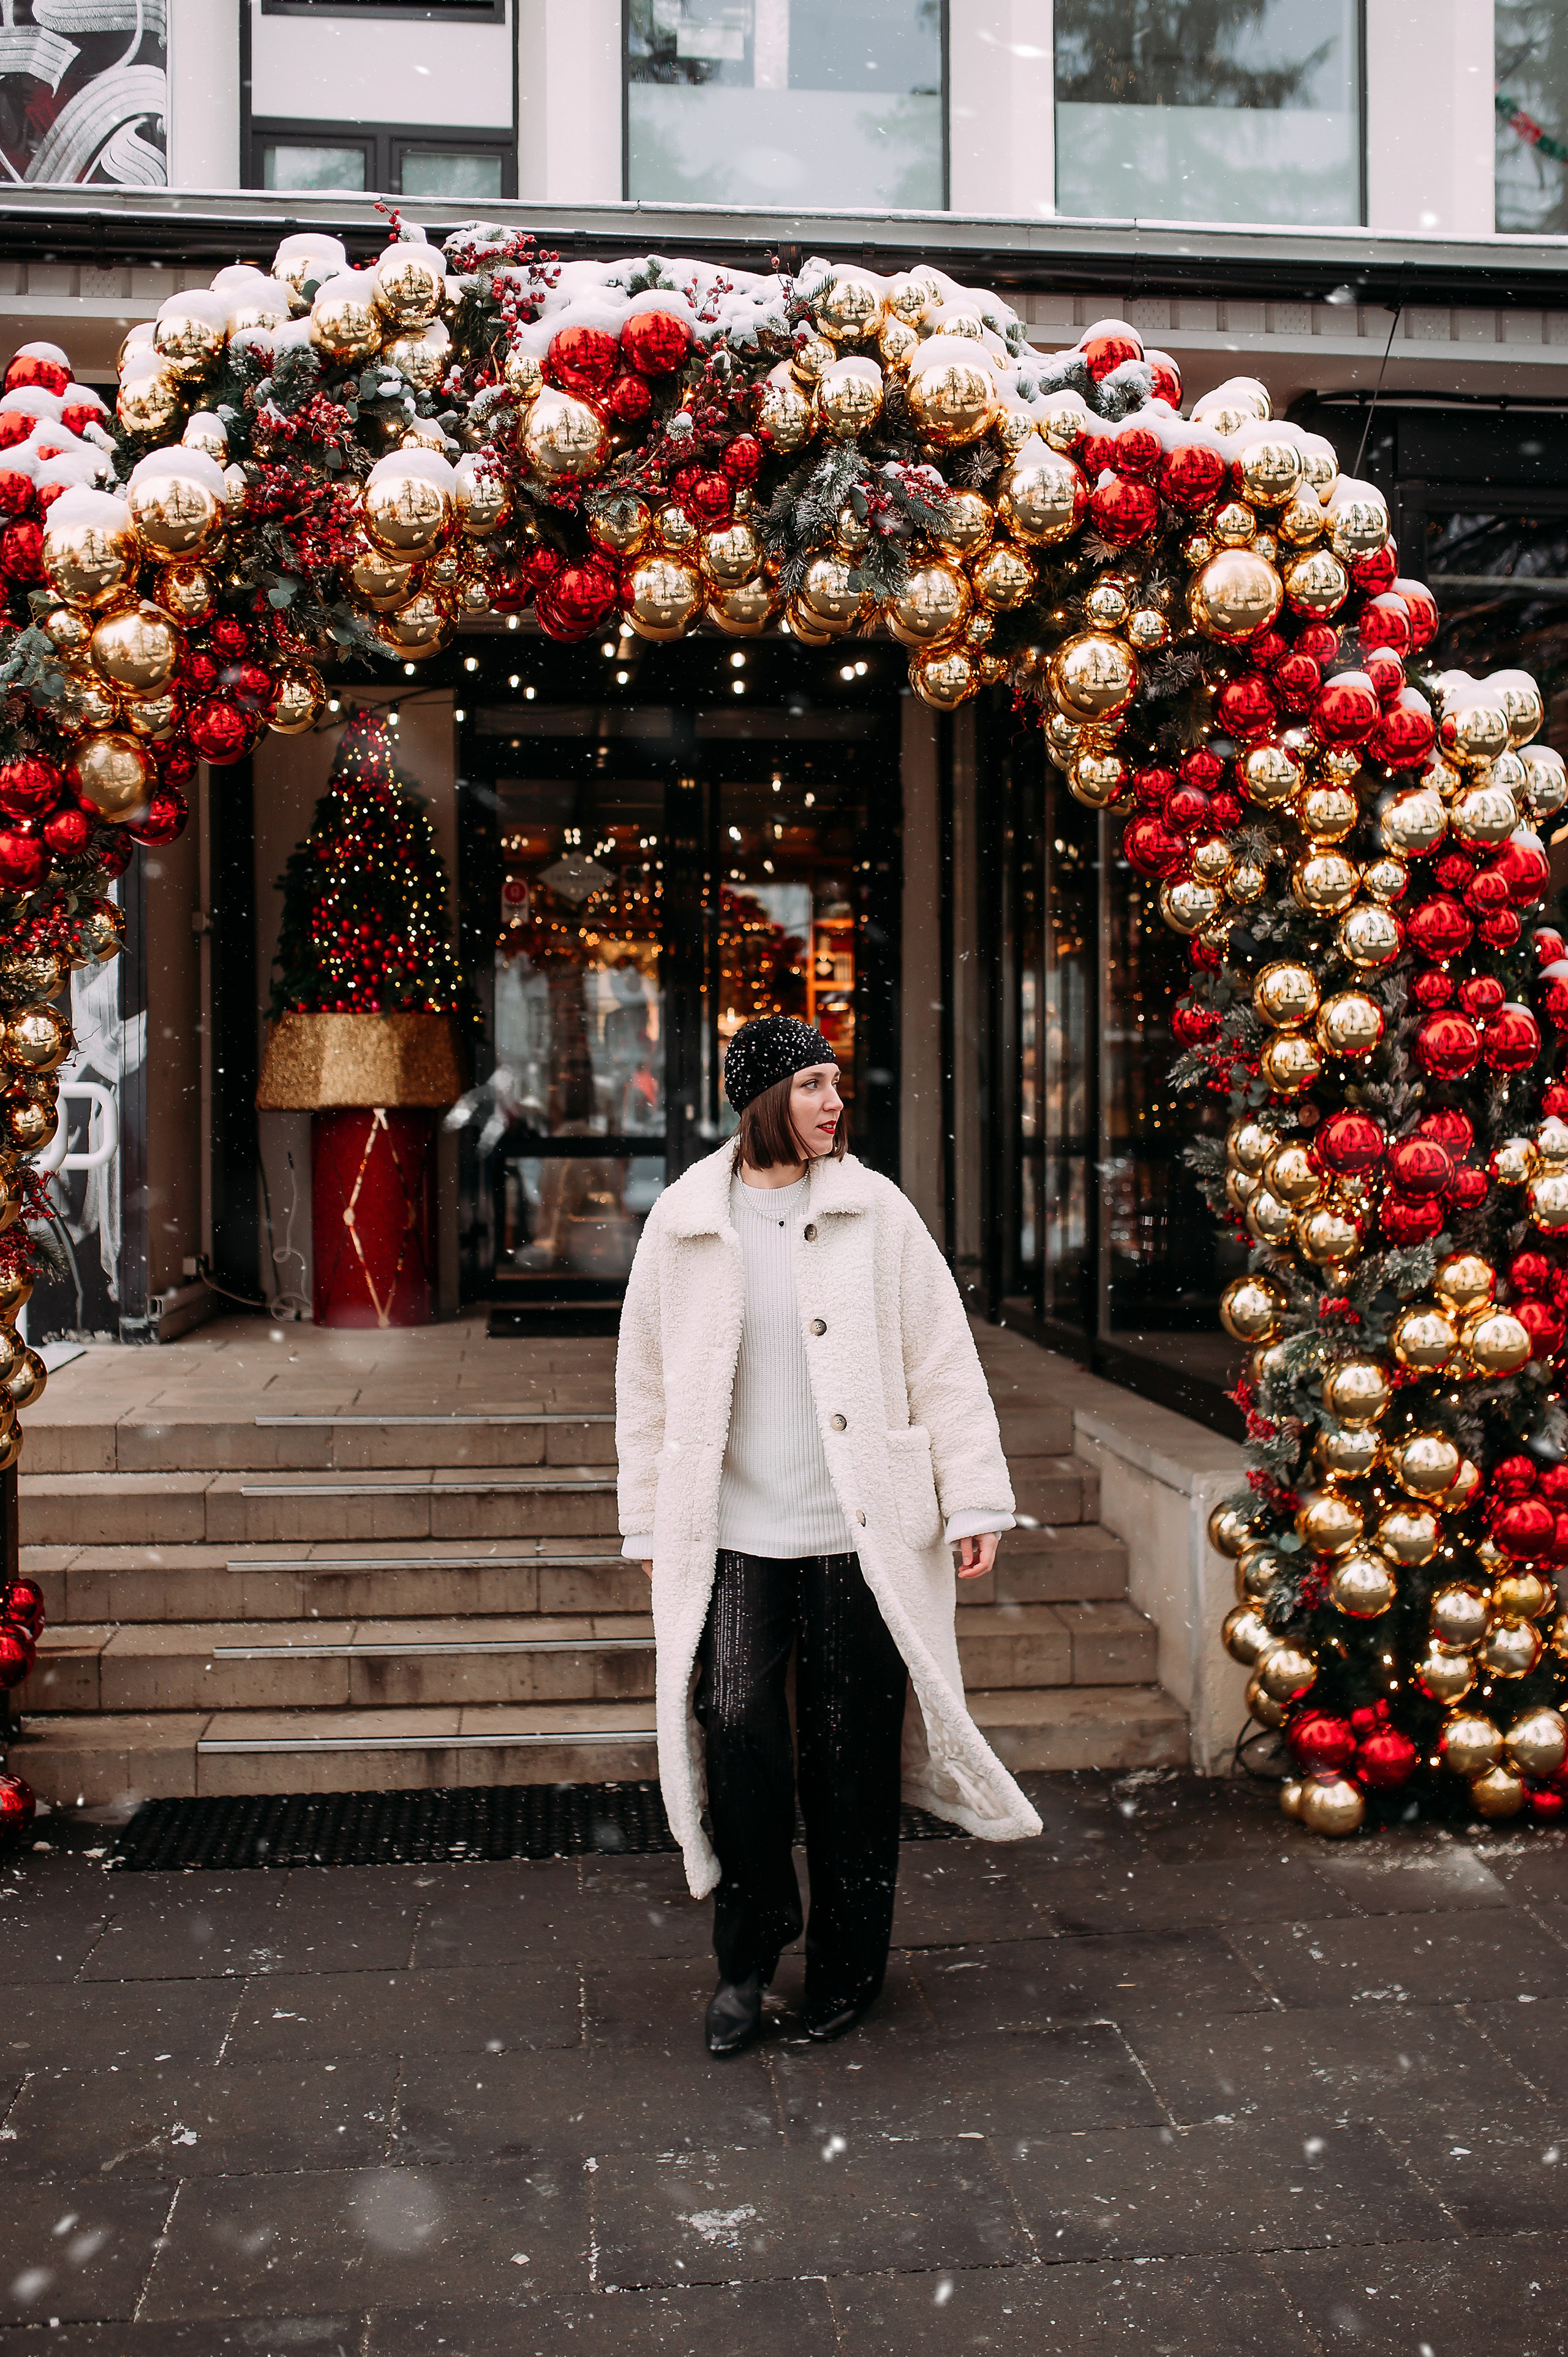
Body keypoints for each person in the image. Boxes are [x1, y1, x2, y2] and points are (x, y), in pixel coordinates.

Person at [616, 1013, 1041, 2056]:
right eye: (812, 1084)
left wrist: (974, 1496)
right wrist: (647, 1518)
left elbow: (943, 1360)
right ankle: (748, 1960)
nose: (833, 1103)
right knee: (738, 1741)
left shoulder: (874, 1211)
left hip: (861, 1536)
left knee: (851, 1759)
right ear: (764, 1098)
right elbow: (645, 1386)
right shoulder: (683, 1221)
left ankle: (849, 1970)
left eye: (836, 1083)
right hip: (734, 1536)